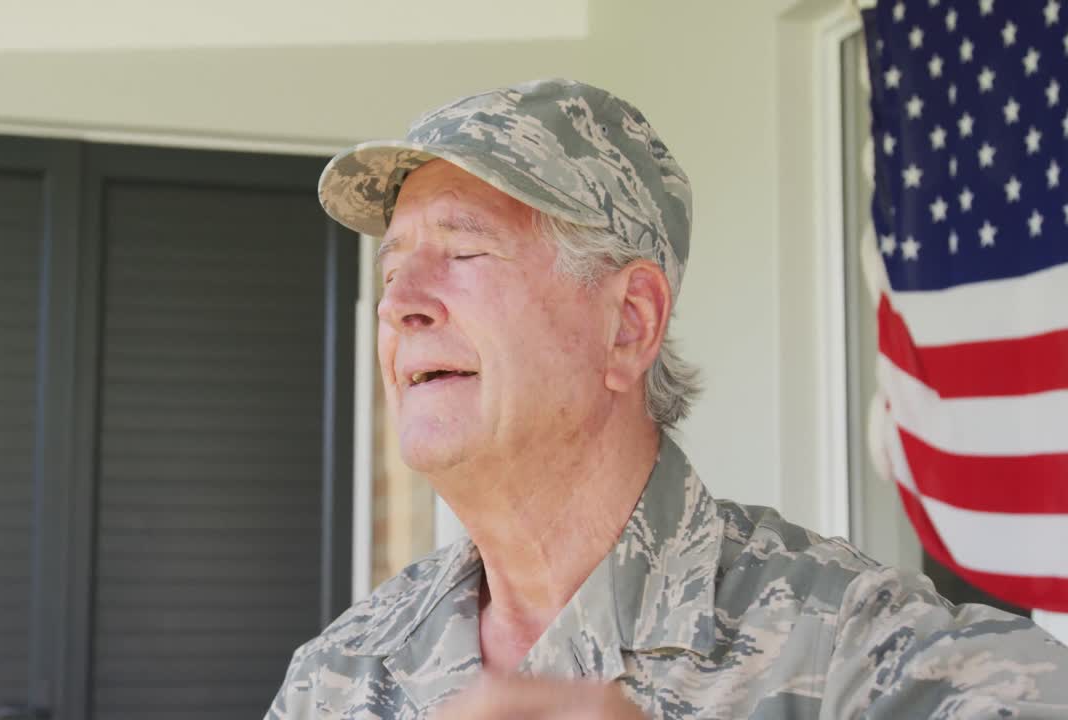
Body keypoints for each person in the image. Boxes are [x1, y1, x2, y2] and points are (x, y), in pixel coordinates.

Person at [266, 78, 1068, 719]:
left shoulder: (852, 650)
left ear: (629, 323)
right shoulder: (338, 678)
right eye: (391, 266)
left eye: (466, 250)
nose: (401, 302)